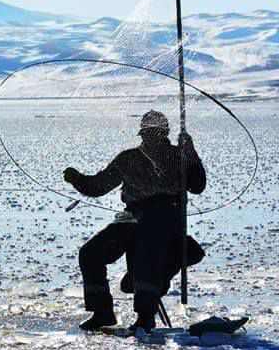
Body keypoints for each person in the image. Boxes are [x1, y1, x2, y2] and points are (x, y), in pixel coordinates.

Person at [63, 110, 206, 333]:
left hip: (166, 218)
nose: (152, 139)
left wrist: (190, 152)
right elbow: (97, 187)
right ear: (141, 135)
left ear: (165, 134)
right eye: (148, 134)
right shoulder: (128, 158)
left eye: (156, 134)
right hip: (131, 218)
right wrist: (78, 180)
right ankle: (102, 312)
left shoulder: (179, 156)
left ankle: (145, 317)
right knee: (90, 252)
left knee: (147, 255)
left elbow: (197, 185)